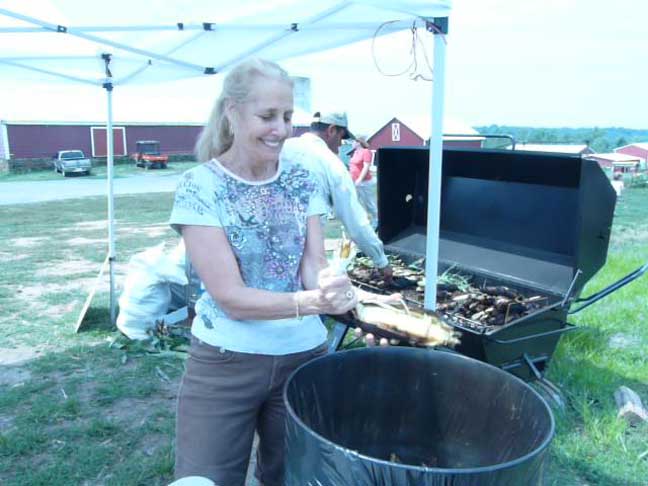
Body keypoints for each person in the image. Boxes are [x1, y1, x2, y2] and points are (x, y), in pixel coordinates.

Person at [169, 58, 396, 486]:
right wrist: (314, 302)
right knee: (203, 478)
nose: (281, 129)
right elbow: (229, 296)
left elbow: (312, 264)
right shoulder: (201, 186)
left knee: (290, 476)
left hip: (302, 358)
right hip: (224, 361)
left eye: (288, 116)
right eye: (267, 116)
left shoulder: (301, 178)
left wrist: (335, 290)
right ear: (232, 113)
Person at [281, 111, 393, 284]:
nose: (342, 144)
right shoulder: (331, 163)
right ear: (332, 130)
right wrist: (381, 261)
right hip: (301, 252)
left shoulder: (283, 147)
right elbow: (355, 221)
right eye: (342, 136)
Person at [349, 135, 378, 229]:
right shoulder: (355, 152)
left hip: (364, 182)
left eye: (353, 142)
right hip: (354, 182)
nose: (352, 143)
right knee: (355, 203)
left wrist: (359, 179)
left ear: (358, 142)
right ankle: (362, 222)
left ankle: (377, 221)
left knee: (369, 204)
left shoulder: (366, 152)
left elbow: (366, 167)